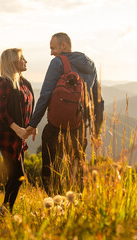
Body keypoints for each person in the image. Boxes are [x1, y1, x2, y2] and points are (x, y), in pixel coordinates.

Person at [26, 32, 104, 195]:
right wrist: (96, 132)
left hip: (55, 128)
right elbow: (98, 101)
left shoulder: (57, 63)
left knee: (50, 172)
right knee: (77, 171)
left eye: (53, 48)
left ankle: (55, 207)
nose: (51, 52)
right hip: (79, 128)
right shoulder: (91, 66)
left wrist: (33, 124)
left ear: (64, 46)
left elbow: (46, 95)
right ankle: (77, 208)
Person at [0, 48, 34, 213]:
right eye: (22, 58)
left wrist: (31, 126)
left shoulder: (23, 83)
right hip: (7, 136)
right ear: (12, 63)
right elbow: (1, 113)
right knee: (18, 175)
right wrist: (18, 129)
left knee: (15, 175)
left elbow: (28, 106)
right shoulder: (5, 84)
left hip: (19, 136)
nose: (26, 61)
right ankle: (5, 209)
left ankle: (4, 209)